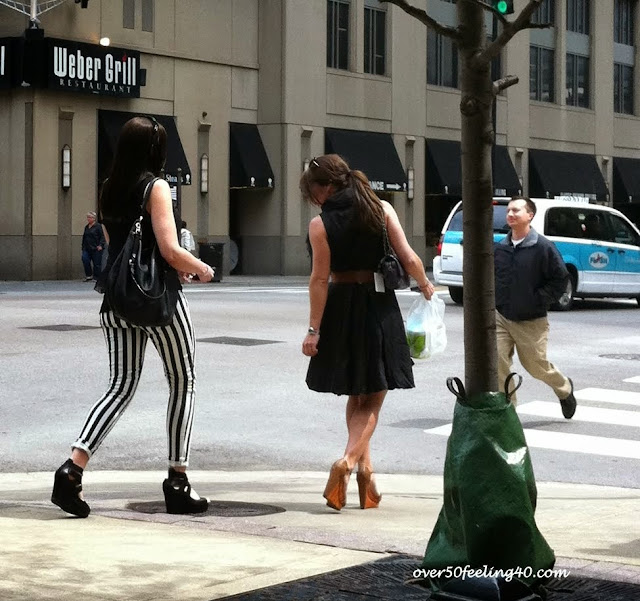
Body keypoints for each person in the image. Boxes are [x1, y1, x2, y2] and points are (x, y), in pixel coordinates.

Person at [51, 116, 216, 518]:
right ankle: (177, 481)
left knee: (120, 386)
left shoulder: (108, 188)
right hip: (158, 302)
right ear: (154, 151)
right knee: (183, 381)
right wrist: (201, 267)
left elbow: (118, 247)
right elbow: (169, 248)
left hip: (118, 299)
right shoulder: (155, 187)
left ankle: (72, 470)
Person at [300, 154, 435, 511]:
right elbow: (409, 257)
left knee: (357, 392)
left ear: (326, 188)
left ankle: (366, 476)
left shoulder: (320, 224)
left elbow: (319, 280)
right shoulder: (381, 210)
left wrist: (314, 330)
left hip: (341, 308)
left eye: (313, 191)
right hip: (378, 306)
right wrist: (425, 284)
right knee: (374, 394)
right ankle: (346, 463)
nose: (313, 198)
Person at [494, 196, 577, 419]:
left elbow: (561, 279)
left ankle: (564, 388)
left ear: (530, 215)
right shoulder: (501, 247)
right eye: (508, 211)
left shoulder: (543, 247)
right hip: (502, 316)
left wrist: (538, 299)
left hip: (531, 319)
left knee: (535, 366)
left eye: (516, 210)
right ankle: (508, 413)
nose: (510, 214)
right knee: (498, 362)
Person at [81, 211, 106, 281]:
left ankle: (96, 277)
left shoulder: (98, 226)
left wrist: (100, 245)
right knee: (85, 259)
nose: (88, 219)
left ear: (94, 218)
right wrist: (83, 246)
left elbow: (102, 236)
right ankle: (89, 275)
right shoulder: (86, 227)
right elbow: (84, 237)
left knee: (97, 263)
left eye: (90, 217)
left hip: (96, 248)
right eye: (88, 217)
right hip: (87, 248)